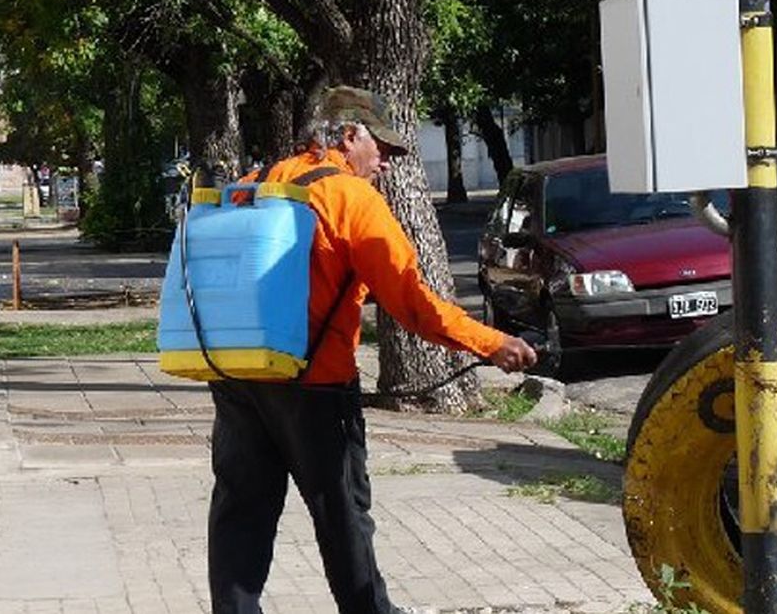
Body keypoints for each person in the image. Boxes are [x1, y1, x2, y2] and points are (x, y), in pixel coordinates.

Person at [207, 85, 537, 614]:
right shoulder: (352, 199)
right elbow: (411, 305)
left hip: (238, 375)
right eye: (380, 147)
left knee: (241, 510)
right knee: (342, 514)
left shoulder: (255, 182)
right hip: (315, 387)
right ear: (347, 135)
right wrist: (492, 342)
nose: (385, 161)